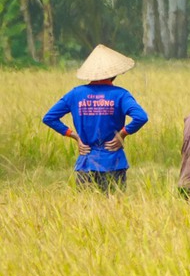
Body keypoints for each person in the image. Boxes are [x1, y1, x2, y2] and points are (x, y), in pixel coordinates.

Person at [42, 44, 149, 192]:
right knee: (115, 205)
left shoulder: (76, 94)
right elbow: (141, 117)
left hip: (86, 162)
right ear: (114, 73)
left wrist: (75, 136)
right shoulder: (121, 94)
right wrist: (122, 134)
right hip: (114, 162)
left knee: (85, 205)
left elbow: (49, 118)